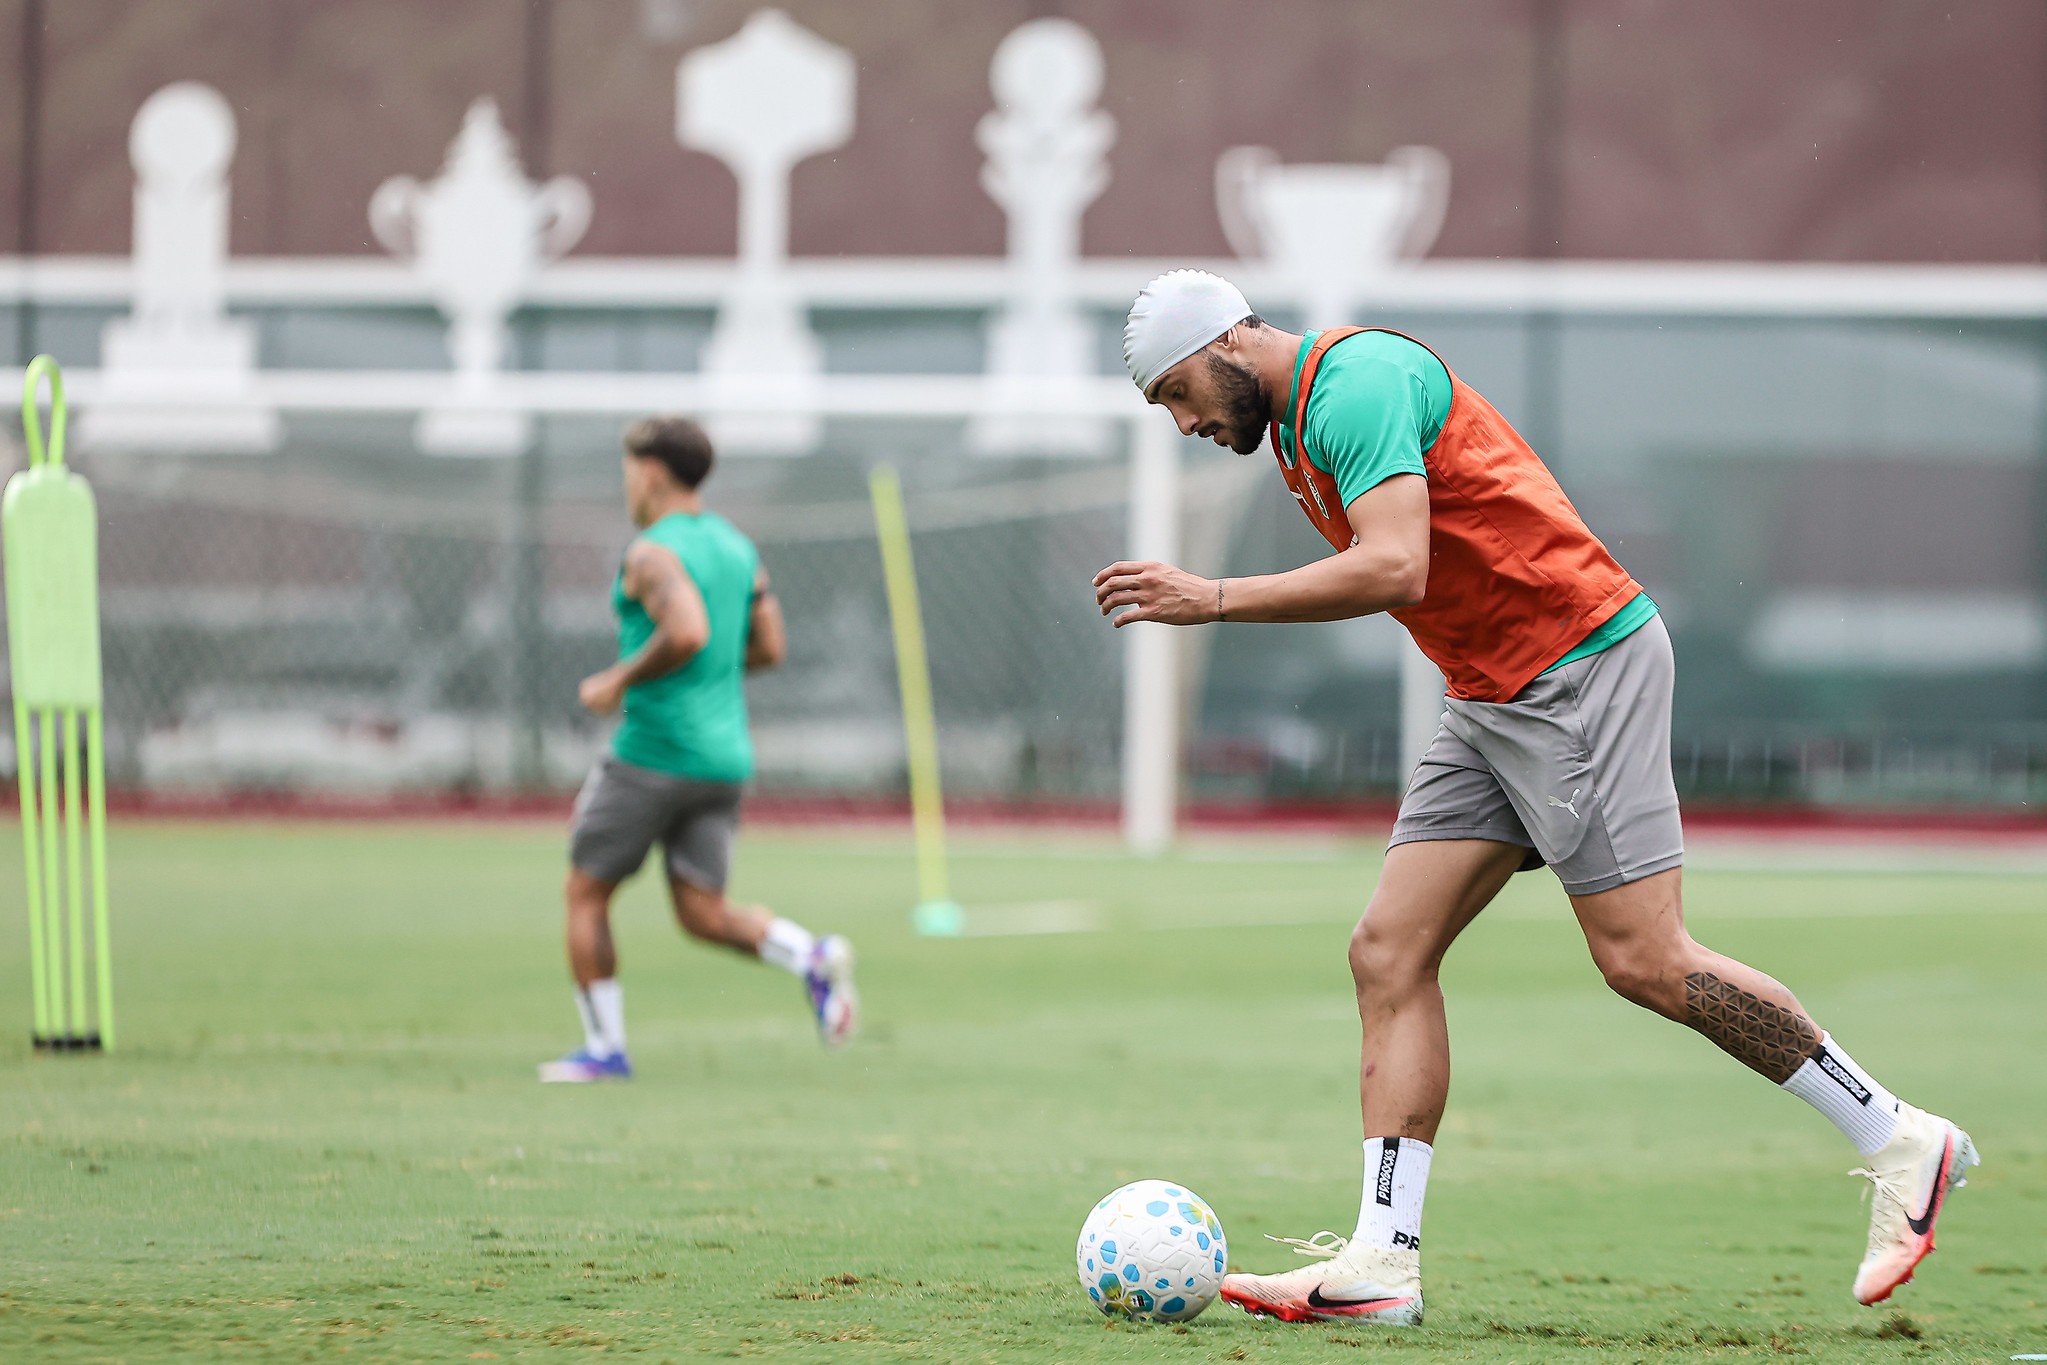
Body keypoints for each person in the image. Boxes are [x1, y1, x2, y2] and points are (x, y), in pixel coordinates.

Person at [1095, 270, 1975, 1324]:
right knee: (1386, 951)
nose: (1186, 420)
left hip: (1575, 668)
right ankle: (1381, 1265)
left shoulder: (1355, 384)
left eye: (1180, 392)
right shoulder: (1292, 432)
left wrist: (1214, 599)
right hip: (1489, 694)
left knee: (1644, 961)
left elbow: (1395, 567)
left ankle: (1899, 1138)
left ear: (1230, 340)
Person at [541, 416, 856, 1082]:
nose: (625, 485)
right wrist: (712, 673)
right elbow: (769, 647)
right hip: (723, 759)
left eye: (627, 470)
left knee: (585, 892)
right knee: (701, 912)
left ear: (651, 472)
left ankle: (604, 1048)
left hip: (652, 752)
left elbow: (685, 629)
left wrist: (615, 680)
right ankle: (811, 955)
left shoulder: (651, 552)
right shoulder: (738, 548)